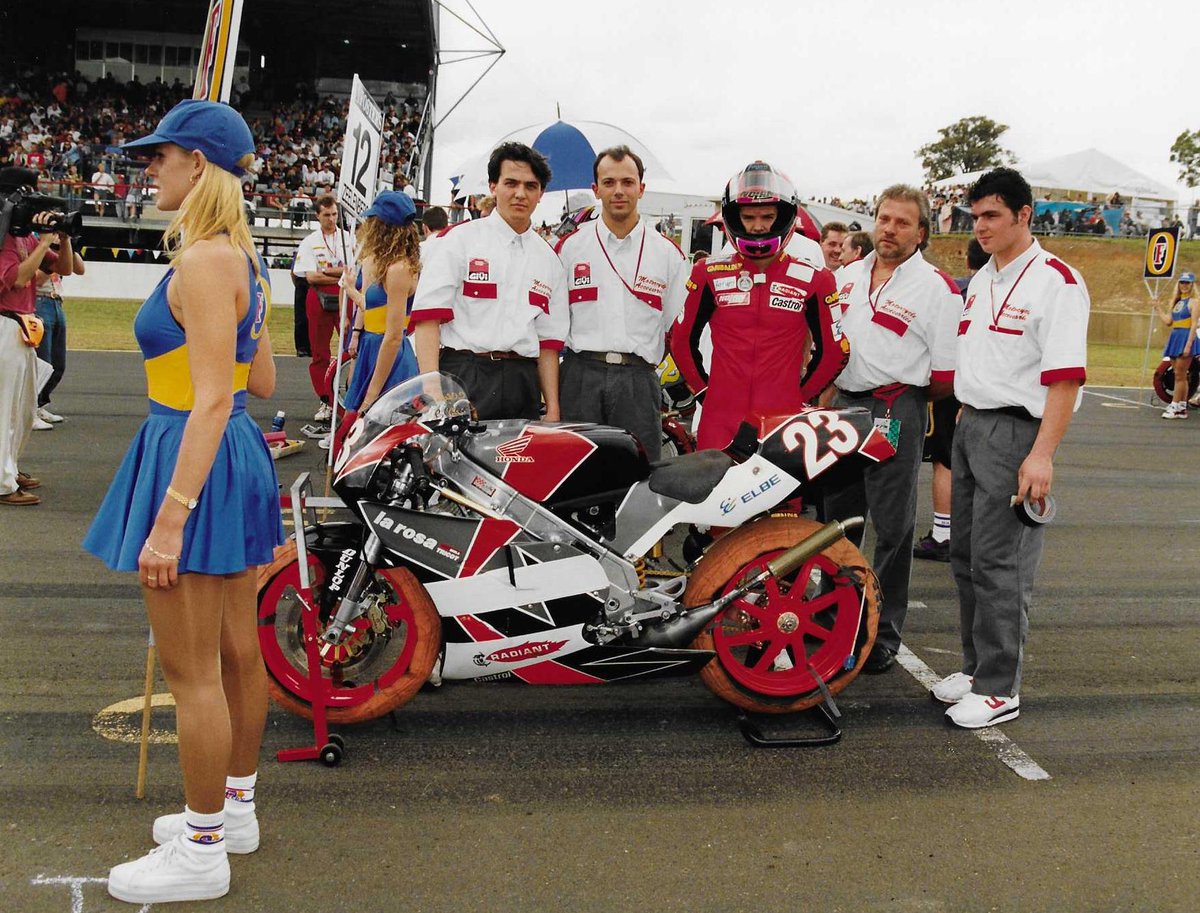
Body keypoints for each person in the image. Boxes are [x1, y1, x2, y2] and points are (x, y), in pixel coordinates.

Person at [81, 99, 284, 903]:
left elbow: (207, 400)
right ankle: (234, 811)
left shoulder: (204, 262)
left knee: (192, 670)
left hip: (194, 452)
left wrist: (169, 520)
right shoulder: (242, 260)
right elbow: (259, 381)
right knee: (236, 654)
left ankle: (203, 849)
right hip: (230, 453)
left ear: (197, 165)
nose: (148, 168)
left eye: (159, 156)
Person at [934, 167, 1089, 729]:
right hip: (972, 423)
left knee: (1002, 563)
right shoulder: (984, 279)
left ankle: (1001, 687)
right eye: (975, 216)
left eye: (992, 215)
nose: (980, 226)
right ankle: (978, 671)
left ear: (1025, 215)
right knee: (965, 557)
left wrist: (1041, 455)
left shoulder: (1058, 281)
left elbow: (1066, 379)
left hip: (1018, 431)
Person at [821, 184, 962, 674]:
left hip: (895, 405)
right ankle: (832, 619)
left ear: (921, 233)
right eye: (884, 218)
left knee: (893, 527)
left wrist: (904, 401)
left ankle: (882, 631)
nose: (890, 229)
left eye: (903, 223)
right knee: (837, 522)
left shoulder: (937, 289)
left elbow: (945, 377)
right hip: (842, 405)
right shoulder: (844, 276)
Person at [670, 162, 847, 452]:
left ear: (785, 216)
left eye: (767, 216)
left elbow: (835, 350)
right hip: (720, 416)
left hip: (783, 420)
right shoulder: (707, 273)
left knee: (784, 500)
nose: (758, 225)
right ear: (734, 217)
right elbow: (680, 339)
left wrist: (799, 396)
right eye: (749, 216)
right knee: (713, 496)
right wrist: (703, 390)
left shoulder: (817, 279)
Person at [410, 142, 567, 420]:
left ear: (541, 193)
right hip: (464, 375)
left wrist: (552, 406)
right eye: (511, 183)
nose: (520, 193)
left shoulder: (549, 260)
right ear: (493, 186)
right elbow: (427, 319)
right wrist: (432, 388)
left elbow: (548, 343)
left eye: (531, 186)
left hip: (523, 382)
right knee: (452, 462)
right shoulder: (457, 241)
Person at [555, 145, 689, 461]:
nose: (619, 191)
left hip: (638, 380)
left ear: (641, 189)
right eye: (609, 182)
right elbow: (553, 323)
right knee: (575, 476)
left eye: (628, 182)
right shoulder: (569, 249)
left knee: (639, 477)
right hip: (580, 376)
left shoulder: (667, 253)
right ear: (595, 189)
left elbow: (675, 325)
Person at [1, 166, 73, 506]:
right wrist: (45, 241)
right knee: (5, 409)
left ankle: (10, 468)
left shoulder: (25, 236)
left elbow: (64, 268)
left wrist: (66, 236)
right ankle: (3, 482)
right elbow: (17, 278)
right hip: (6, 323)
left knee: (24, 406)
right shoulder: (5, 237)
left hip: (23, 327)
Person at [914, 238, 989, 561]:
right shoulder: (1006, 289)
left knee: (945, 460)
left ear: (968, 260)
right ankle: (976, 533)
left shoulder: (955, 289)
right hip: (994, 389)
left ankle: (944, 533)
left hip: (957, 384)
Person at [343, 191, 421, 414]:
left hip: (388, 361)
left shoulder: (399, 269)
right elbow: (378, 312)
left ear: (382, 227)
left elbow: (394, 336)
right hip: (373, 350)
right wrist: (351, 291)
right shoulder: (389, 265)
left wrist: (370, 397)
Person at [293, 194, 353, 423]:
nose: (331, 219)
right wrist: (336, 273)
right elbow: (311, 276)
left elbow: (352, 271)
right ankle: (326, 400)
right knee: (320, 353)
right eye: (326, 215)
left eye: (335, 214)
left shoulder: (348, 239)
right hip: (318, 299)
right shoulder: (309, 241)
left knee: (351, 348)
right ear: (317, 215)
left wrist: (327, 272)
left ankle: (348, 399)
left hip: (345, 296)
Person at [33, 237, 85, 426]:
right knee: (42, 362)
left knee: (58, 364)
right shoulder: (37, 245)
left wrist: (68, 245)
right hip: (39, 301)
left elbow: (79, 269)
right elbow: (37, 280)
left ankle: (39, 405)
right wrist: (51, 250)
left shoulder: (60, 245)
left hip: (56, 302)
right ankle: (29, 411)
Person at [1154, 271, 1198, 419]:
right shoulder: (1177, 301)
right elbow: (1168, 321)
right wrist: (1157, 307)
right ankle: (1181, 407)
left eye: (1187, 283)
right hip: (1175, 336)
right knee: (1180, 375)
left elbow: (1193, 325)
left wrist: (1189, 344)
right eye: (1182, 282)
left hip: (1186, 337)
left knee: (1179, 375)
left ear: (1192, 284)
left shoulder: (1195, 302)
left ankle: (1174, 405)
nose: (1184, 285)